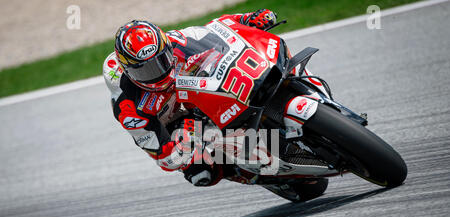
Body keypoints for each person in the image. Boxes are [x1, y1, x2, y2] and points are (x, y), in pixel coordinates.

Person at [103, 9, 326, 187]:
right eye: (145, 70)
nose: (157, 72)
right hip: (184, 129)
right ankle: (259, 175)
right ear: (128, 71)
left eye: (161, 60)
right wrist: (182, 149)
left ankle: (316, 95)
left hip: (205, 93)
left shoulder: (178, 41)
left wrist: (247, 19)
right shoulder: (128, 104)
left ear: (167, 47)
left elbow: (218, 29)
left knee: (269, 63)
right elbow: (159, 153)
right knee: (201, 174)